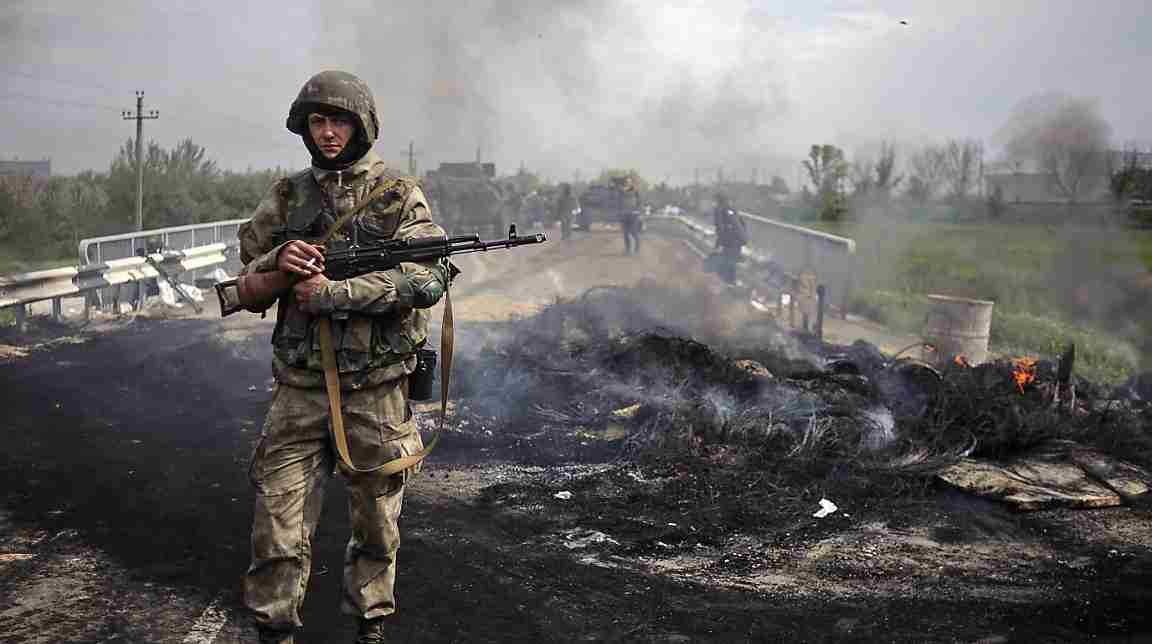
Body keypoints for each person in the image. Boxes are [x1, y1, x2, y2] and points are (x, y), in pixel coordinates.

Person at [222, 70, 450, 644]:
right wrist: (282, 258)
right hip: (299, 390)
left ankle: (369, 627)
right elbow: (246, 275)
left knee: (377, 527)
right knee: (276, 528)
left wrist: (338, 293)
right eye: (319, 121)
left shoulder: (398, 194)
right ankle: (274, 631)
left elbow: (427, 277)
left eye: (340, 120)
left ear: (362, 125)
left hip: (375, 390)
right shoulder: (286, 195)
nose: (328, 132)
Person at [713, 193, 747, 283]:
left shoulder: (719, 210)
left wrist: (719, 242)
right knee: (732, 259)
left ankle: (727, 280)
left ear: (718, 200)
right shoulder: (732, 209)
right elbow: (742, 223)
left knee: (727, 259)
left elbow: (720, 227)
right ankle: (731, 279)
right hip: (739, 238)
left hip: (729, 239)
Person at [616, 176, 642, 254]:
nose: (628, 183)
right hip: (624, 214)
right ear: (624, 182)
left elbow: (640, 202)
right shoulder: (621, 190)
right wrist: (619, 212)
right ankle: (628, 249)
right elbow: (618, 201)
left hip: (633, 214)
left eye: (629, 181)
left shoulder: (636, 191)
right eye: (626, 181)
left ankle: (637, 249)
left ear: (631, 182)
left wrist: (638, 211)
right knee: (625, 233)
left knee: (634, 232)